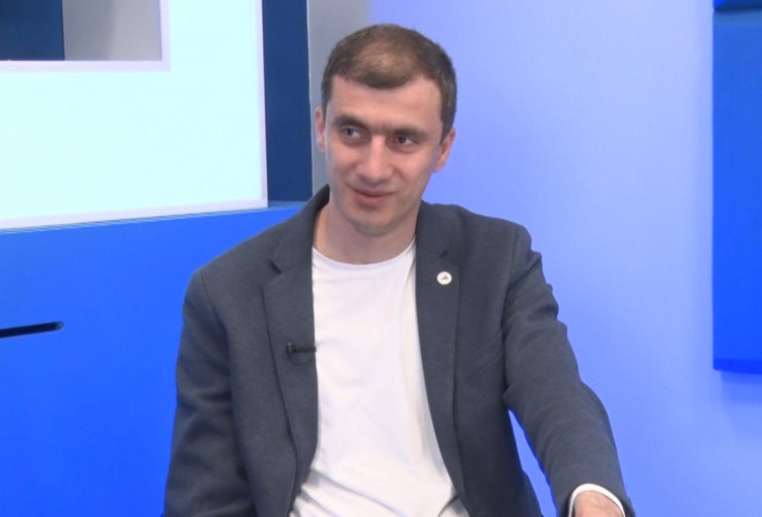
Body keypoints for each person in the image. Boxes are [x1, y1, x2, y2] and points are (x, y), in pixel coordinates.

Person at [164, 24, 634, 517]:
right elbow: (204, 499)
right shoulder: (227, 293)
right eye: (352, 132)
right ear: (321, 128)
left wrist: (593, 499)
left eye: (403, 140)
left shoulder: (495, 260)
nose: (373, 168)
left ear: (443, 148)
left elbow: (557, 395)